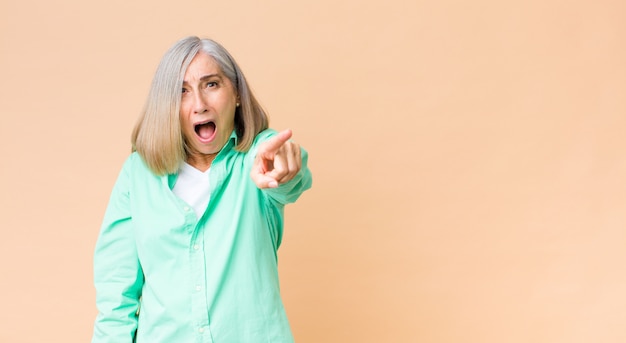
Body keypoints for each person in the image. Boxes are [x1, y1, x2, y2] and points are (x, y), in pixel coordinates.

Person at [91, 36, 312, 343]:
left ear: (235, 93)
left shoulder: (256, 156)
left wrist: (285, 165)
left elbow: (288, 174)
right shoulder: (138, 175)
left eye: (211, 84)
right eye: (181, 91)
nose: (199, 104)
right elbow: (116, 292)